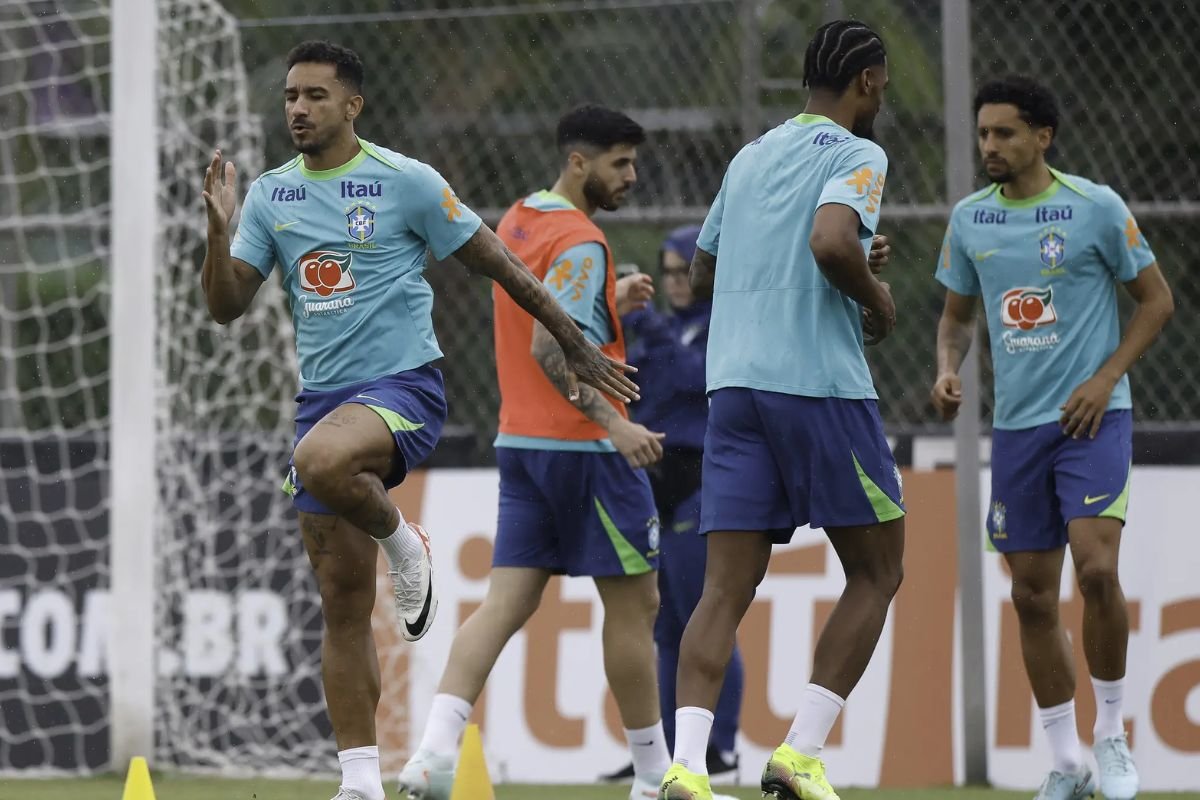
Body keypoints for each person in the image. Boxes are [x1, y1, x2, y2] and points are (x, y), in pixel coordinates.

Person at [200, 43, 638, 800]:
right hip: (324, 404)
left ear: (352, 107)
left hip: (404, 388)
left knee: (318, 462)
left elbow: (501, 265)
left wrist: (575, 340)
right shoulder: (272, 196)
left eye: (314, 96)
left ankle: (406, 544)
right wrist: (218, 230)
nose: (297, 109)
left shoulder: (405, 183)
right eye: (289, 97)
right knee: (342, 603)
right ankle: (360, 782)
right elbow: (225, 306)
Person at [397, 105, 670, 800]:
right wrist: (617, 426)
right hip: (586, 450)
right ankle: (650, 780)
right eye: (620, 163)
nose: (631, 177)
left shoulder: (521, 217)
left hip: (520, 442)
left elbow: (545, 308)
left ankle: (430, 757)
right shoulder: (583, 241)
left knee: (504, 603)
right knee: (636, 605)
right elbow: (551, 345)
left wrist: (611, 299)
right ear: (579, 163)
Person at [660, 19, 901, 800]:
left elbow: (700, 272)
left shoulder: (751, 154)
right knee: (878, 568)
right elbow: (832, 243)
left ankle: (687, 769)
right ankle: (799, 752)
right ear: (867, 82)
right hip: (819, 387)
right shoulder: (861, 153)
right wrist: (876, 295)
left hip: (732, 389)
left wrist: (845, 257)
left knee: (722, 590)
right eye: (884, 81)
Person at [931, 75, 1173, 800]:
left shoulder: (1096, 208)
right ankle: (1066, 761)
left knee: (1096, 569)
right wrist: (947, 368)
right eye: (983, 135)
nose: (990, 147)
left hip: (1094, 420)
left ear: (1044, 135)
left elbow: (1157, 302)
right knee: (1033, 598)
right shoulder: (970, 219)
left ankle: (1112, 739)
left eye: (1004, 133)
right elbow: (956, 318)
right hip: (1016, 432)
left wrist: (1104, 380)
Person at [600, 226, 743, 789]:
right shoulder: (663, 329)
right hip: (654, 474)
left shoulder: (720, 326)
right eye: (667, 270)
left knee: (703, 617)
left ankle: (721, 748)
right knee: (662, 625)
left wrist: (649, 325)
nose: (675, 282)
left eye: (685, 270)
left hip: (700, 475)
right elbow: (641, 390)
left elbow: (695, 379)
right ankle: (657, 753)